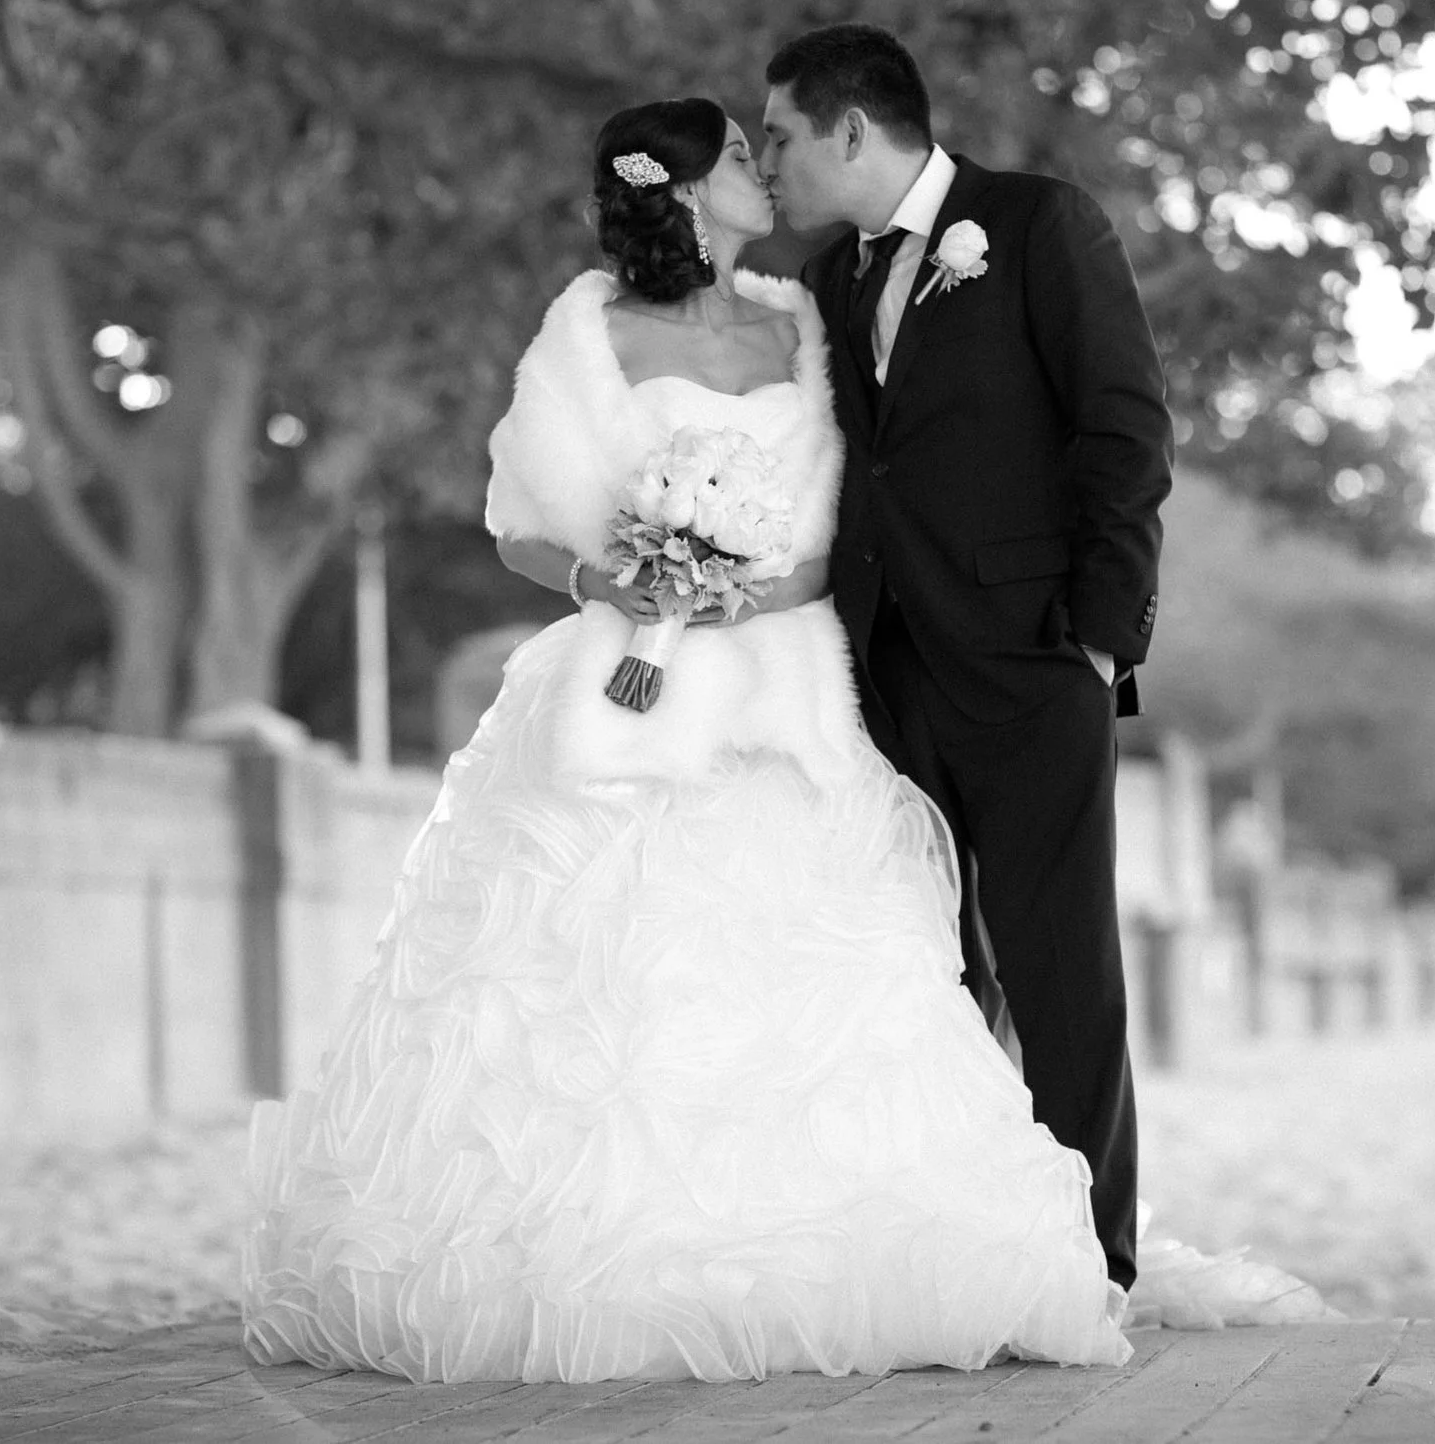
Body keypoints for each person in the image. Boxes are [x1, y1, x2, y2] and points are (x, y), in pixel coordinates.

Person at [239, 97, 1139, 1383]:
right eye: (735, 155)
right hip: (627, 679)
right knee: (600, 971)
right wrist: (624, 584)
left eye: (764, 145)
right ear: (675, 187)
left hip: (787, 681)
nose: (760, 168)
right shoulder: (587, 326)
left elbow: (851, 513)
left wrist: (748, 589)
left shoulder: (804, 315)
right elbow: (516, 522)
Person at [758, 24, 1168, 1294]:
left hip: (1035, 657)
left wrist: (1102, 637)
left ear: (847, 130)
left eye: (776, 136)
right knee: (930, 966)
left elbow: (1124, 424)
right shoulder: (830, 281)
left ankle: (1091, 1258)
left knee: (1059, 964)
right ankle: (972, 1228)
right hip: (884, 668)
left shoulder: (1038, 223)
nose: (765, 160)